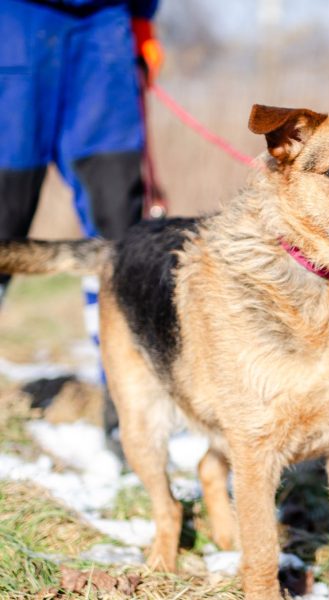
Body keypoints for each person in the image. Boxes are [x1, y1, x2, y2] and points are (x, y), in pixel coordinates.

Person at [0, 0, 163, 454]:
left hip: (103, 30)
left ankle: (127, 411)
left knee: (119, 237)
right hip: (13, 21)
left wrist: (141, 19)